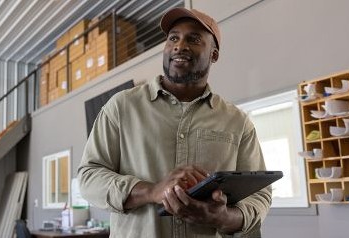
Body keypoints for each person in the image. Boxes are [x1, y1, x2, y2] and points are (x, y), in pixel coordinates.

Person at [78, 7, 271, 238]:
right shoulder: (121, 107)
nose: (179, 45)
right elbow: (89, 177)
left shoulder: (238, 122)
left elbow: (260, 196)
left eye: (194, 39)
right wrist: (151, 191)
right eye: (173, 38)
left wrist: (223, 218)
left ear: (214, 54)